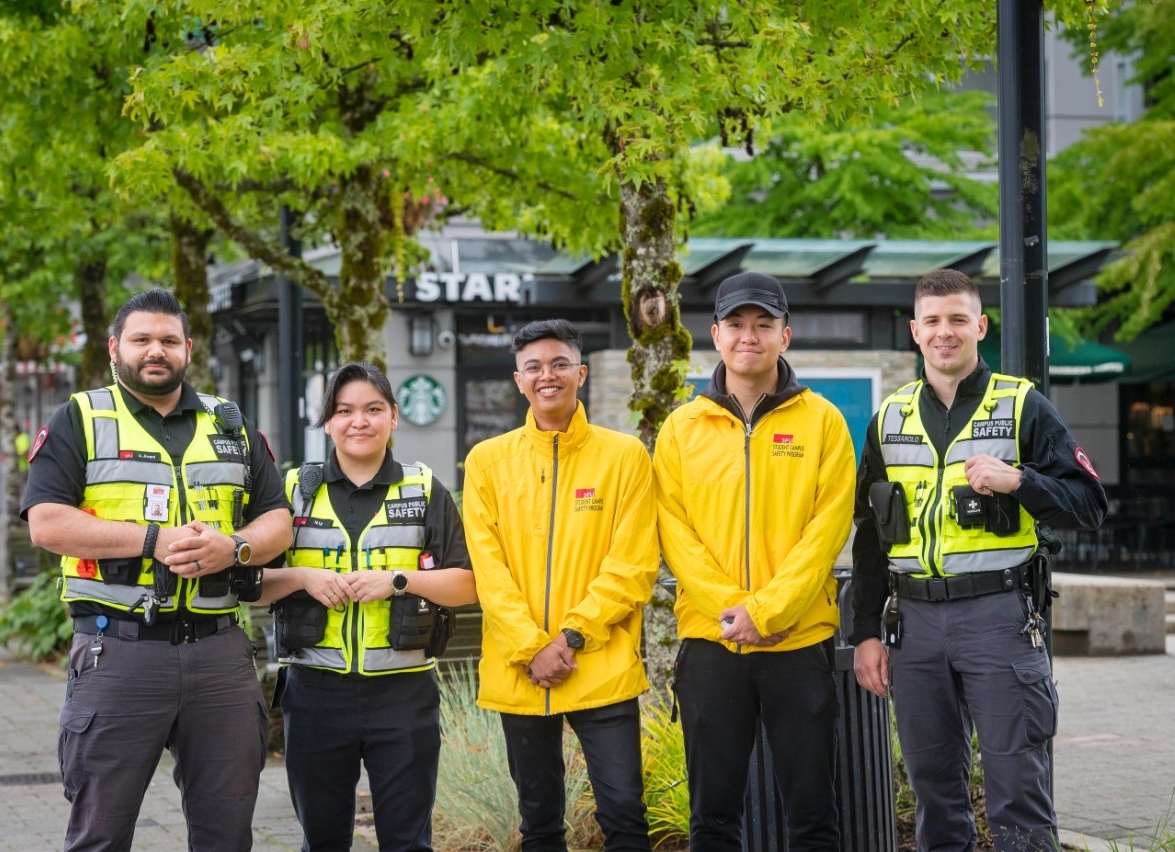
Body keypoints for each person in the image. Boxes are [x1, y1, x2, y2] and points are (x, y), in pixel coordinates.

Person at [21, 288, 293, 852]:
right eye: (142, 339)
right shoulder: (81, 417)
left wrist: (235, 548)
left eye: (169, 340)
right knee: (102, 833)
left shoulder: (231, 424)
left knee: (227, 835)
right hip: (118, 654)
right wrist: (154, 539)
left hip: (220, 655)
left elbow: (278, 521)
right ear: (115, 347)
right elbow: (46, 522)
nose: (156, 351)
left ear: (188, 348)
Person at [851, 269, 1108, 852]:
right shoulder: (887, 420)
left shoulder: (1024, 406)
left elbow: (1091, 503)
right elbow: (869, 536)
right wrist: (865, 632)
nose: (946, 333)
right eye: (934, 322)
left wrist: (1020, 480)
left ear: (980, 327)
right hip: (912, 629)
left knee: (1017, 793)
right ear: (915, 331)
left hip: (1000, 619)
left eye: (958, 320)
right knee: (934, 795)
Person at [654, 271, 856, 851]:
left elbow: (827, 532)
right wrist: (734, 611)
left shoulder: (823, 423)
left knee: (814, 816)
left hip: (797, 643)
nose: (750, 336)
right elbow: (676, 533)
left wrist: (767, 612)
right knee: (713, 819)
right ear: (714, 335)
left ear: (785, 336)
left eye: (763, 325)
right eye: (737, 325)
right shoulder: (680, 429)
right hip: (712, 645)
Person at [259, 362, 477, 852]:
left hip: (402, 693)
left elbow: (466, 585)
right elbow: (249, 584)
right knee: (323, 839)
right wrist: (303, 578)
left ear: (394, 417)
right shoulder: (292, 491)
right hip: (315, 693)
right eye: (345, 410)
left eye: (373, 409)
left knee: (407, 840)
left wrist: (398, 581)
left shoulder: (424, 492)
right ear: (328, 422)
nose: (359, 421)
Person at [462, 319, 659, 852]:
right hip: (520, 670)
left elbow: (635, 564)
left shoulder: (625, 457)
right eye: (533, 367)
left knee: (624, 812)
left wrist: (569, 638)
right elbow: (489, 568)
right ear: (518, 381)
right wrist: (531, 648)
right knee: (539, 823)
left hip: (602, 663)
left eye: (558, 364)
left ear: (581, 373)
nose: (546, 376)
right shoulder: (487, 461)